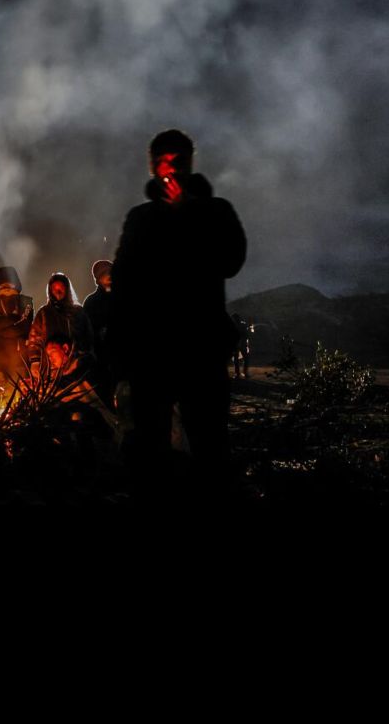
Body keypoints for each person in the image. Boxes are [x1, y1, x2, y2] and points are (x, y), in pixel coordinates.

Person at [109, 128, 247, 501]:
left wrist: (189, 211)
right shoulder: (140, 219)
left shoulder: (216, 212)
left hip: (200, 349)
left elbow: (231, 260)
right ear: (154, 167)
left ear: (190, 163)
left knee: (210, 445)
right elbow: (121, 285)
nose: (172, 170)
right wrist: (120, 349)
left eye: (179, 161)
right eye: (165, 162)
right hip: (151, 354)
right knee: (151, 450)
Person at [26, 272, 94, 376]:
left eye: (61, 287)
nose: (57, 291)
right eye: (54, 288)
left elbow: (88, 338)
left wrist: (80, 358)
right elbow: (34, 339)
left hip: (76, 368)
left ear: (67, 289)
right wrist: (35, 361)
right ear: (50, 290)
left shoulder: (78, 312)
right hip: (50, 369)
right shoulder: (44, 313)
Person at [0, 266, 34, 384]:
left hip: (19, 358)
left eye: (9, 284)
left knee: (17, 392)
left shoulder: (25, 301)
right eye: (3, 284)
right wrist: (14, 319)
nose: (6, 288)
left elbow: (24, 327)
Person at [82, 259, 114, 405]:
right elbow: (89, 335)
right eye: (103, 274)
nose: (108, 276)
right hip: (105, 363)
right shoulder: (92, 303)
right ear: (97, 279)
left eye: (110, 272)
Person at [231, 313, 251, 380]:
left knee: (239, 359)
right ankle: (241, 373)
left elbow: (246, 335)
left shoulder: (240, 325)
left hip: (240, 344)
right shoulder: (242, 325)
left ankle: (240, 373)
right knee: (242, 359)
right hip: (239, 344)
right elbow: (246, 335)